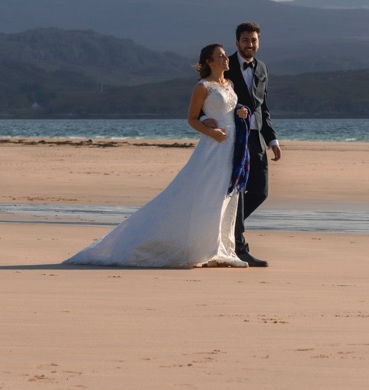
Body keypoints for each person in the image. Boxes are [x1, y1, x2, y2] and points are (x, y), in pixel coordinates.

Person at [64, 43, 250, 268]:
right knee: (207, 195)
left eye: (224, 56)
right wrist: (209, 129)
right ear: (209, 61)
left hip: (232, 147)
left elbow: (228, 111)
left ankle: (221, 248)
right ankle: (204, 249)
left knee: (225, 197)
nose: (225, 59)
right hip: (213, 147)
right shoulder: (203, 87)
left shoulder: (229, 84)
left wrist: (242, 112)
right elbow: (191, 118)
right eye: (220, 56)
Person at [210, 22, 280, 267]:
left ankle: (227, 225)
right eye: (245, 40)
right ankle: (239, 246)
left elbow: (264, 108)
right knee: (238, 191)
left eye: (254, 40)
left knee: (260, 191)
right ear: (237, 42)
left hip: (257, 138)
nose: (250, 44)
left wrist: (272, 140)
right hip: (234, 139)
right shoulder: (225, 66)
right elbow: (210, 97)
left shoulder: (262, 68)